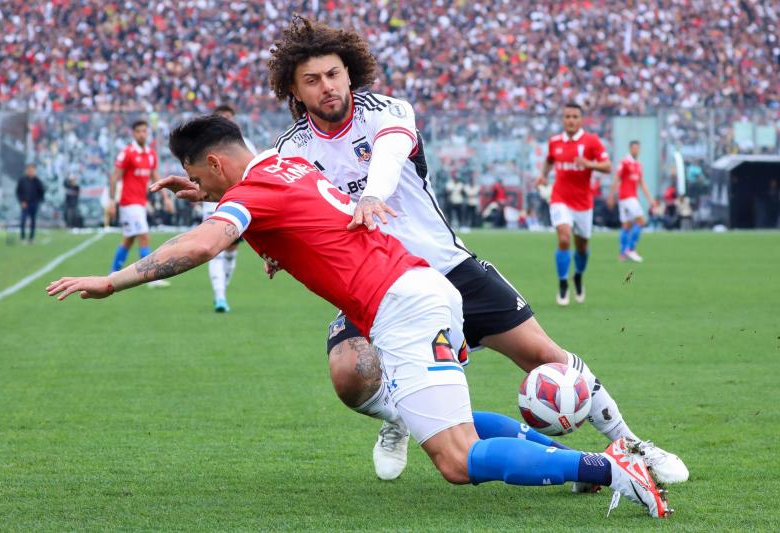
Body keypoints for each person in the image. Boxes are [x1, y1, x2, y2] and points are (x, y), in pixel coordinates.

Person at [46, 115, 673, 518]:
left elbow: (203, 245)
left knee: (456, 461)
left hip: (400, 304)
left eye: (196, 175)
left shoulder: (251, 189)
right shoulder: (283, 164)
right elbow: (282, 214)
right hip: (418, 290)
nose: (199, 187)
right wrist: (210, 194)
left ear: (214, 164)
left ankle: (609, 466)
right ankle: (579, 467)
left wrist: (114, 279)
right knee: (423, 414)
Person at [268, 17, 686, 488]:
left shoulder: (387, 111)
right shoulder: (292, 151)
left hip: (448, 268)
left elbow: (386, 158)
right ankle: (400, 415)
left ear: (350, 73)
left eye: (333, 74)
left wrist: (371, 196)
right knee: (349, 374)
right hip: (377, 284)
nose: (327, 86)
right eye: (312, 80)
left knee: (547, 358)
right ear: (295, 91)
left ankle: (632, 445)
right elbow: (288, 210)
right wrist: (279, 246)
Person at [536, 103, 611, 306]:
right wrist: (543, 176)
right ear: (563, 119)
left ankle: (578, 276)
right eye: (567, 116)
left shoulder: (591, 141)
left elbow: (607, 166)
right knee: (563, 238)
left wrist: (589, 164)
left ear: (581, 120)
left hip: (583, 203)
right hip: (560, 198)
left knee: (582, 246)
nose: (570, 120)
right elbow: (549, 160)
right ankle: (562, 283)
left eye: (575, 116)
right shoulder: (555, 142)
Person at [200, 104, 260, 313]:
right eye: (222, 117)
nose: (227, 120)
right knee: (215, 249)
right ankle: (219, 296)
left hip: (239, 205)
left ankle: (222, 290)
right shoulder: (205, 147)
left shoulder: (246, 145)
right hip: (214, 204)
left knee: (231, 250)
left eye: (229, 117)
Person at [107, 119, 173, 286]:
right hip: (129, 203)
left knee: (129, 239)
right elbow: (115, 177)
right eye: (139, 131)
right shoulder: (127, 153)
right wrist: (111, 201)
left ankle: (112, 274)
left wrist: (166, 198)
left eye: (144, 131)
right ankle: (150, 277)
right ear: (133, 133)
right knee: (144, 236)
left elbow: (156, 178)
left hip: (140, 203)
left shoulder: (150, 154)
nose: (142, 134)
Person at [608, 141, 657, 263]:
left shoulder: (638, 165)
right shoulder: (625, 162)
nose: (636, 150)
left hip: (630, 198)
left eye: (638, 148)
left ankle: (622, 254)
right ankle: (630, 249)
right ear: (630, 149)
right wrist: (611, 195)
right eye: (634, 148)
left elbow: (642, 184)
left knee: (627, 225)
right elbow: (617, 178)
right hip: (627, 197)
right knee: (641, 221)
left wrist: (651, 200)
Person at [16, 164, 44, 243]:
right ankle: (22, 237)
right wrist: (21, 201)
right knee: (23, 220)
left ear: (35, 171)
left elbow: (41, 193)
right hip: (24, 204)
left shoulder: (38, 181)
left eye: (32, 170)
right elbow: (18, 192)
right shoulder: (22, 180)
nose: (31, 171)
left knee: (33, 221)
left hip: (34, 204)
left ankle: (31, 237)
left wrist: (38, 202)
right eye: (29, 170)